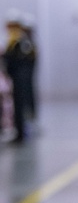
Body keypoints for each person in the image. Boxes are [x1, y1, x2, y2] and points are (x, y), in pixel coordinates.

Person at [3, 10, 36, 144]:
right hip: (17, 79)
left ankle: (21, 133)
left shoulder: (21, 42)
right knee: (17, 106)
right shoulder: (13, 41)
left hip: (21, 79)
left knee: (21, 105)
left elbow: (23, 61)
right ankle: (19, 131)